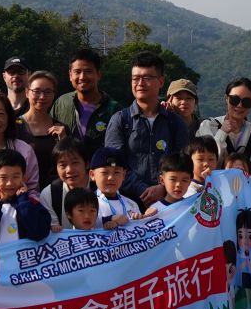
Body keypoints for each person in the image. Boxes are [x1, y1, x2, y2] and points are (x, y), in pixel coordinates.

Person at [145, 155, 203, 309]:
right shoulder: (154, 211)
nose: (178, 185)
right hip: (166, 281)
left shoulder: (195, 206)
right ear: (162, 180)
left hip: (193, 277)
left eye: (184, 180)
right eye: (173, 179)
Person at [102, 53, 193, 208]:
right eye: (135, 78)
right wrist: (143, 190)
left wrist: (163, 187)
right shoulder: (120, 120)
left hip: (168, 204)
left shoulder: (175, 123)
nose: (140, 83)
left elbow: (183, 163)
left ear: (161, 81)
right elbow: (114, 164)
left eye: (147, 78)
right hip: (127, 205)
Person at [199, 78, 251, 194]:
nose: (239, 105)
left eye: (246, 102)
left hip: (246, 195)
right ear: (226, 98)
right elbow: (205, 163)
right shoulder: (208, 126)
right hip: (212, 194)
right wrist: (222, 133)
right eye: (234, 99)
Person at [0, 150, 51, 248]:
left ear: (24, 179)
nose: (9, 183)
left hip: (25, 256)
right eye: (3, 177)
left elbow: (40, 233)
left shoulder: (32, 204)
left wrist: (23, 203)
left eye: (15, 177)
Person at [51, 48, 118, 154]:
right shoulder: (62, 103)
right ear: (70, 75)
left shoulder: (114, 109)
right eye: (77, 72)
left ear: (98, 75)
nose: (82, 77)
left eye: (88, 71)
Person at [16, 70, 69, 173]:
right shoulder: (15, 126)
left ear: (53, 95)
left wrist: (64, 140)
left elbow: (70, 161)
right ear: (27, 92)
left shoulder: (62, 129)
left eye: (48, 92)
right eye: (37, 91)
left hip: (56, 183)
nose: (42, 97)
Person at [38, 137, 90, 229]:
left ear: (87, 164)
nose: (69, 170)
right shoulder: (49, 194)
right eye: (63, 165)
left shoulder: (101, 188)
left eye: (75, 163)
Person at [88, 149, 139, 229]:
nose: (111, 178)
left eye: (116, 172)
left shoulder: (132, 204)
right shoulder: (87, 204)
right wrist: (108, 220)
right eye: (105, 172)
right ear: (92, 175)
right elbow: (82, 226)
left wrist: (140, 219)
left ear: (123, 175)